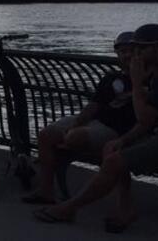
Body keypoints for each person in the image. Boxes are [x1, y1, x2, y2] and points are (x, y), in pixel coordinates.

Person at [35, 23, 158, 233]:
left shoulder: (156, 80)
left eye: (140, 48)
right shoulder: (141, 79)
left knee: (113, 157)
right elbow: (143, 119)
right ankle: (56, 198)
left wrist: (137, 83)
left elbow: (145, 119)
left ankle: (71, 208)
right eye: (129, 50)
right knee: (111, 153)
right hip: (147, 135)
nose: (134, 54)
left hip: (147, 136)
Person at [23, 31, 137, 205]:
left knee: (75, 138)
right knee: (46, 134)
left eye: (131, 50)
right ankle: (46, 192)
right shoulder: (111, 77)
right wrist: (76, 124)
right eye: (122, 51)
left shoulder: (150, 79)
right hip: (97, 121)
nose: (126, 55)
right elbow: (94, 105)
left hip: (118, 129)